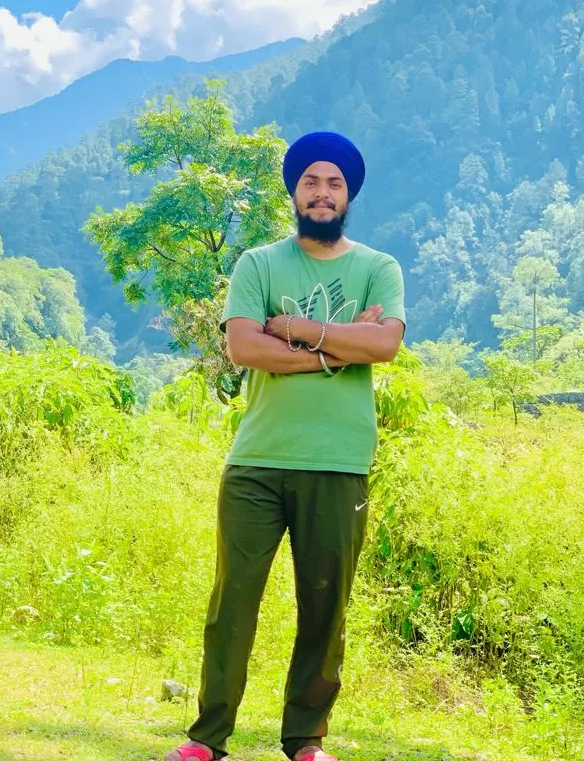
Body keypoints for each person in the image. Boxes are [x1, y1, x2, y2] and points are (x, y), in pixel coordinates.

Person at [165, 131, 406, 761]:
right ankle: (207, 739)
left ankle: (305, 739)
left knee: (324, 614)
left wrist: (298, 332)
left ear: (348, 193)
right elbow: (244, 348)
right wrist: (338, 347)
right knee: (231, 606)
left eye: (333, 183)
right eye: (310, 182)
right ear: (294, 191)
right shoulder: (259, 264)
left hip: (339, 462)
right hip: (257, 463)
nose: (321, 193)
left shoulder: (379, 267)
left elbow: (384, 347)